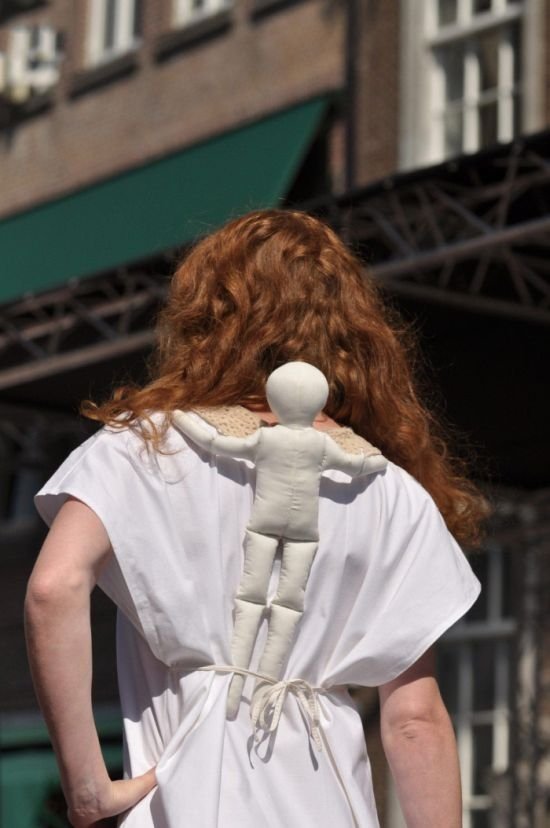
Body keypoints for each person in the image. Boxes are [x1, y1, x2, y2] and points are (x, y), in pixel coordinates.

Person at [25, 208, 488, 828]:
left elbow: (53, 589)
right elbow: (414, 718)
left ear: (208, 316)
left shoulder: (147, 445)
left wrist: (86, 786)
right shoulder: (389, 491)